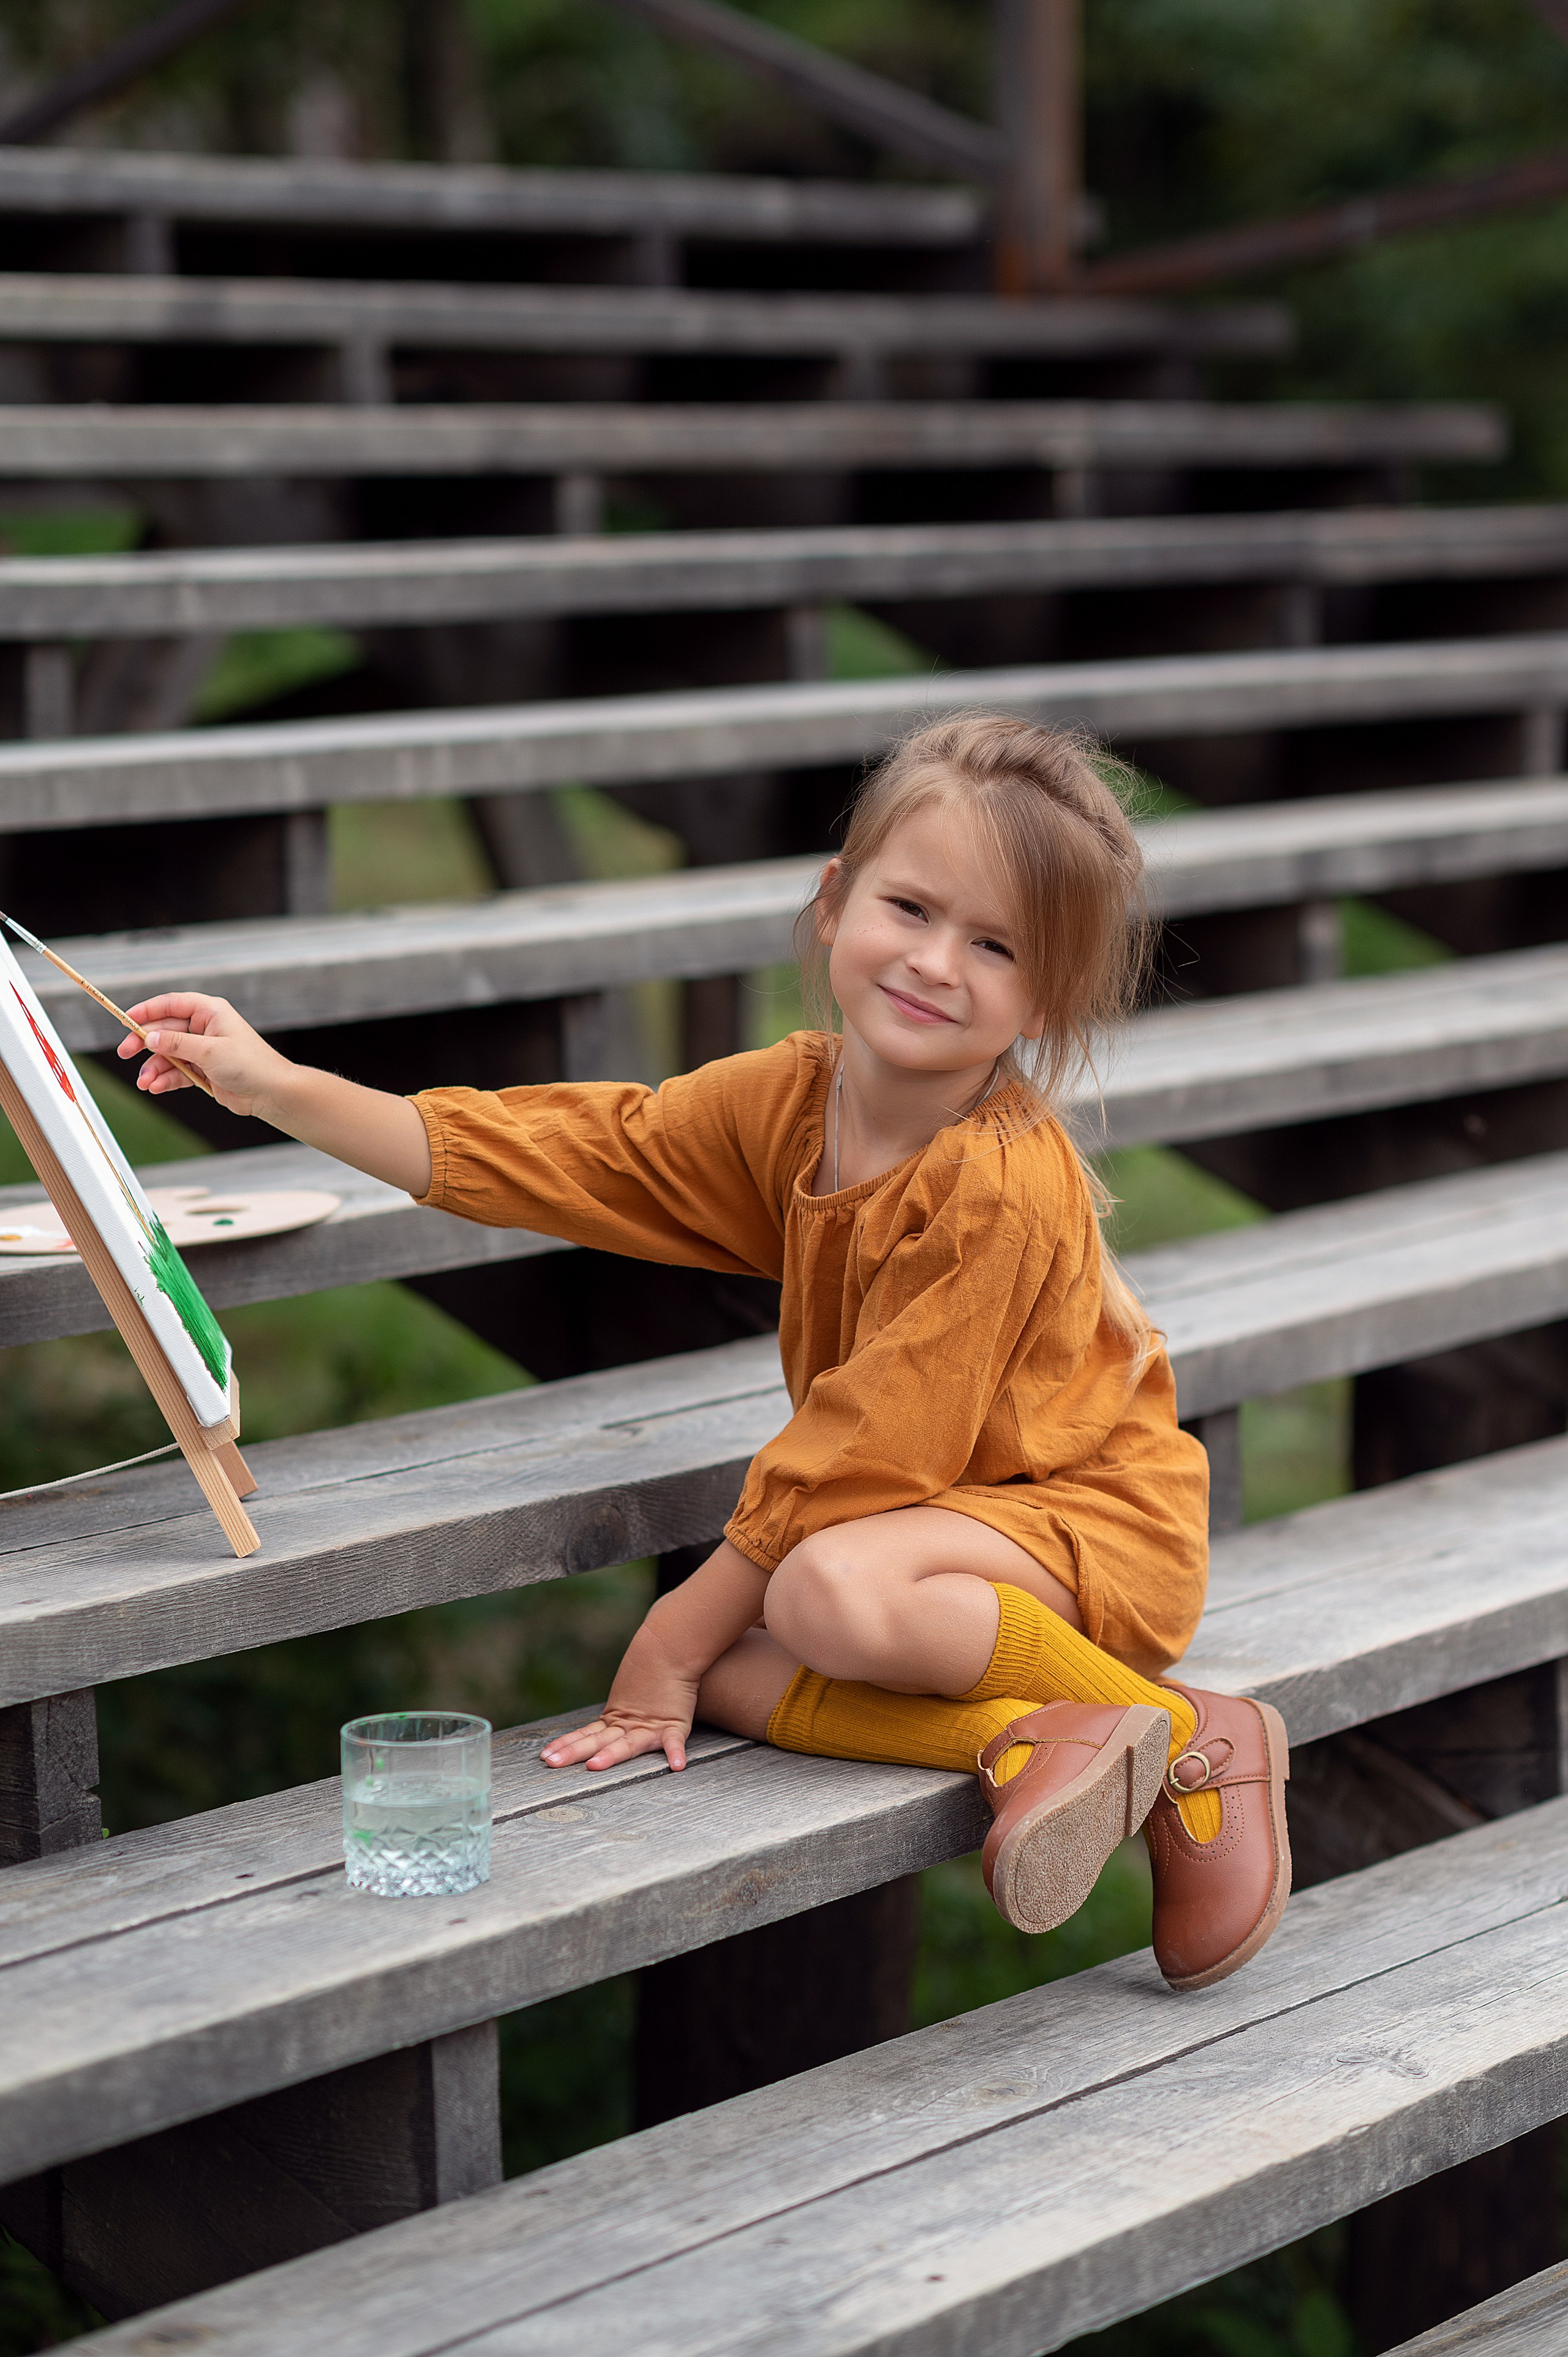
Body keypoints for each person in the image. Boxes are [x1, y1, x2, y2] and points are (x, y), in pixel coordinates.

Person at [119, 714, 1289, 1991]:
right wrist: (275, 1086)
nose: (936, 961)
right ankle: (1026, 1738)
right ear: (834, 902)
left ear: (1046, 995)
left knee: (813, 1598)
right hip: (923, 1514)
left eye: (994, 944)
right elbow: (570, 1150)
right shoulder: (794, 1099)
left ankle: (1192, 1743)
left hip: (1080, 1516)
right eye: (908, 907)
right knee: (744, 1672)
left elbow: (863, 1450)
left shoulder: (996, 1183)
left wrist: (670, 1631)